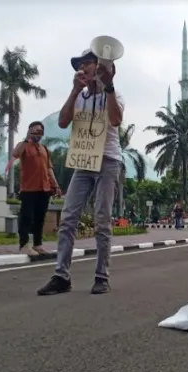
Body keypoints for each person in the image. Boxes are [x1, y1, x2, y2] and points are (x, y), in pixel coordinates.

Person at [37, 48, 124, 296]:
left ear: (100, 67)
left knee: (102, 219)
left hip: (107, 160)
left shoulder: (115, 94)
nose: (84, 68)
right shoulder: (80, 97)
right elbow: (64, 122)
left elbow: (116, 120)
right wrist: (75, 90)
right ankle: (61, 275)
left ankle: (101, 276)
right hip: (84, 160)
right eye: (82, 64)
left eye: (88, 63)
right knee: (68, 219)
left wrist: (108, 87)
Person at [12, 121, 61, 256]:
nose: (37, 134)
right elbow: (15, 154)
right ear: (29, 131)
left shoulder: (44, 148)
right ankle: (23, 245)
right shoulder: (24, 146)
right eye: (34, 131)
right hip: (29, 188)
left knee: (40, 217)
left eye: (39, 131)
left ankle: (38, 244)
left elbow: (49, 168)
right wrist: (27, 139)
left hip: (44, 188)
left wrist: (55, 184)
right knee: (27, 217)